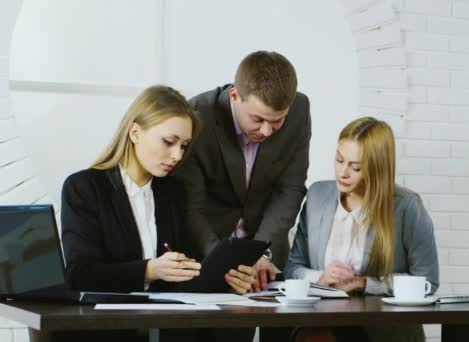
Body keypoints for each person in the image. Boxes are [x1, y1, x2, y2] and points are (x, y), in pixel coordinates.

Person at [60, 85, 257, 342]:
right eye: (168, 141)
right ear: (135, 133)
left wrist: (227, 280)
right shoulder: (84, 188)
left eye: (184, 146)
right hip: (106, 329)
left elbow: (186, 271)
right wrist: (149, 270)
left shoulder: (172, 192)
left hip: (163, 326)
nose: (177, 155)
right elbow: (79, 273)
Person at [284, 117, 439, 342]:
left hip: (381, 329)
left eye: (355, 167)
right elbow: (292, 269)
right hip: (320, 324)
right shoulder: (317, 196)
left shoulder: (406, 206)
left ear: (376, 169)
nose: (343, 173)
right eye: (339, 160)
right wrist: (321, 277)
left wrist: (365, 283)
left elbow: (427, 282)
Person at [175, 50, 311, 291]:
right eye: (257, 119)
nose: (267, 131)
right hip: (203, 254)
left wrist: (261, 253)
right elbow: (189, 206)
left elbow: (289, 189)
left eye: (277, 121)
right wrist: (227, 261)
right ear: (235, 96)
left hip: (265, 254)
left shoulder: (300, 110)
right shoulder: (196, 115)